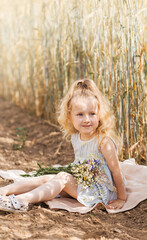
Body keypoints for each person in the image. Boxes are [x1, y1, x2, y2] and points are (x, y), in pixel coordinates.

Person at [0, 79, 127, 213]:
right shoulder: (76, 138)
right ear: (69, 117)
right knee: (48, 178)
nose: (87, 119)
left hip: (100, 192)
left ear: (99, 114)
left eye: (92, 114)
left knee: (63, 177)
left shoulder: (104, 142)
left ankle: (21, 201)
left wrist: (121, 198)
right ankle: (3, 191)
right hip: (85, 184)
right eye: (80, 114)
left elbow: (116, 171)